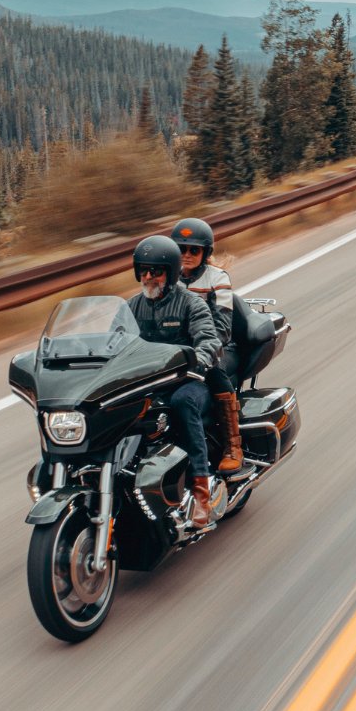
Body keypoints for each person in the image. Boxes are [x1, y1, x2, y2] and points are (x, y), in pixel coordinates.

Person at [125, 235, 223, 527]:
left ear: (170, 272)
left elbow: (208, 338)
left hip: (188, 382)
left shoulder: (191, 303)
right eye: (143, 270)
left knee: (183, 403)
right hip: (148, 384)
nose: (148, 277)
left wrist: (199, 361)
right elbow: (113, 343)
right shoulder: (131, 307)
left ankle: (202, 489)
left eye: (155, 271)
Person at [170, 217, 243, 474]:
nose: (187, 255)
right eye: (181, 249)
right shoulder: (169, 279)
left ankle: (232, 445)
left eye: (194, 250)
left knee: (214, 369)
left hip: (221, 347)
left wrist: (201, 351)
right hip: (180, 351)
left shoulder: (217, 278)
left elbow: (222, 327)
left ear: (205, 252)